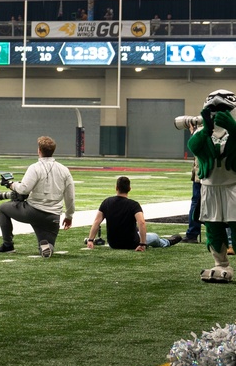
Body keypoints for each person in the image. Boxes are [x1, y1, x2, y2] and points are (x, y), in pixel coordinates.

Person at [0, 135, 75, 257]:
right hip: (52, 216)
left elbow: (24, 189)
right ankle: (47, 246)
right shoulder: (64, 170)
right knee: (48, 245)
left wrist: (11, 185)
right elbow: (70, 196)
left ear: (39, 150)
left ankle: (8, 244)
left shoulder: (34, 168)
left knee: (2, 209)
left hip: (32, 211)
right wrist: (69, 216)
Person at [186, 89, 236, 282]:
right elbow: (194, 146)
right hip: (210, 187)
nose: (217, 111)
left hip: (233, 185)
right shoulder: (202, 132)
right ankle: (221, 265)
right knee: (213, 227)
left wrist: (234, 129)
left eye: (222, 107)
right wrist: (206, 130)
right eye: (214, 108)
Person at [86, 176, 182, 251]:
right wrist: (142, 244)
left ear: (116, 187)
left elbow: (96, 222)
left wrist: (90, 240)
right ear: (129, 188)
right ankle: (166, 242)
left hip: (113, 243)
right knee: (154, 237)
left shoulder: (106, 202)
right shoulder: (134, 205)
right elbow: (142, 223)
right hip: (132, 243)